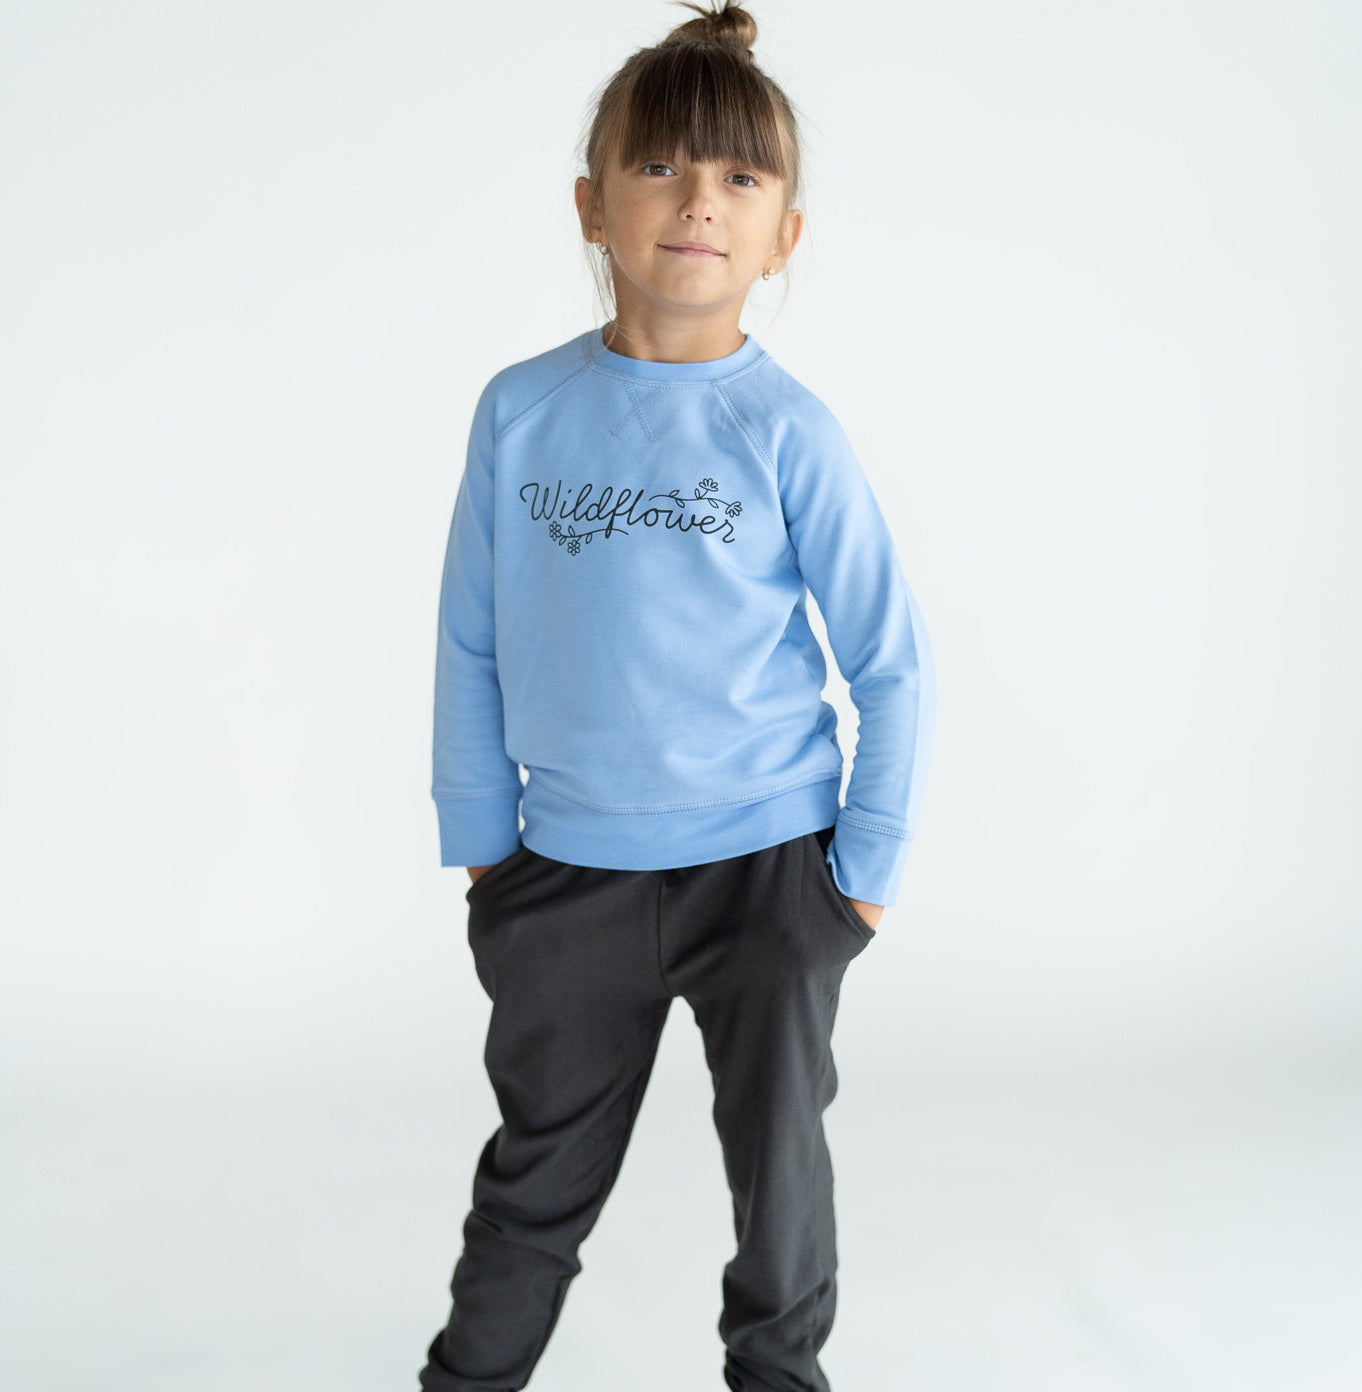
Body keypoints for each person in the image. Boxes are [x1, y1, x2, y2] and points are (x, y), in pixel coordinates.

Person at [417, 4, 937, 1390]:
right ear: (592, 206)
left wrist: (861, 878)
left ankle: (778, 1377)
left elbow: (890, 660)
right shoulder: (520, 411)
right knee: (534, 1175)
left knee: (778, 1176)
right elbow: (469, 636)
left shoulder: (788, 429)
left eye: (738, 178)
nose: (698, 202)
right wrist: (484, 845)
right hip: (561, 874)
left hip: (767, 871)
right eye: (658, 167)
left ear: (783, 235)